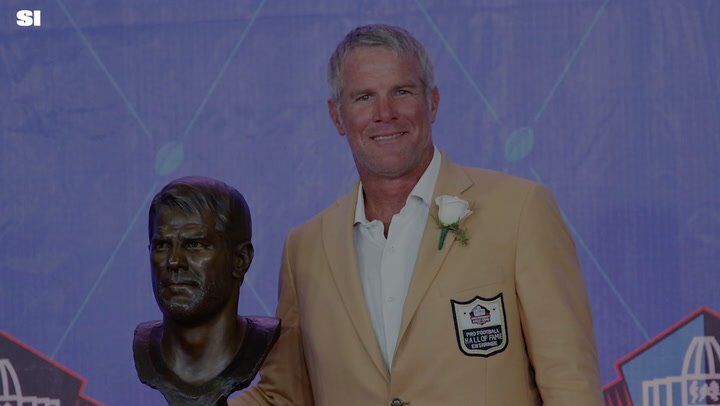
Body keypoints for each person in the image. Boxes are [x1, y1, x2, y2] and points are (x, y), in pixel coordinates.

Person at [234, 24, 602, 405]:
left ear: (433, 102)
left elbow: (569, 383)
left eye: (402, 92)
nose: (384, 113)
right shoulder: (305, 247)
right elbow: (285, 395)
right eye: (363, 97)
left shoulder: (520, 211)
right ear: (337, 116)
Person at [134, 177, 280, 405]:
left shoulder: (269, 344)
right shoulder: (145, 348)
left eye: (194, 245)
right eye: (162, 245)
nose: (173, 261)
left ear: (240, 260)